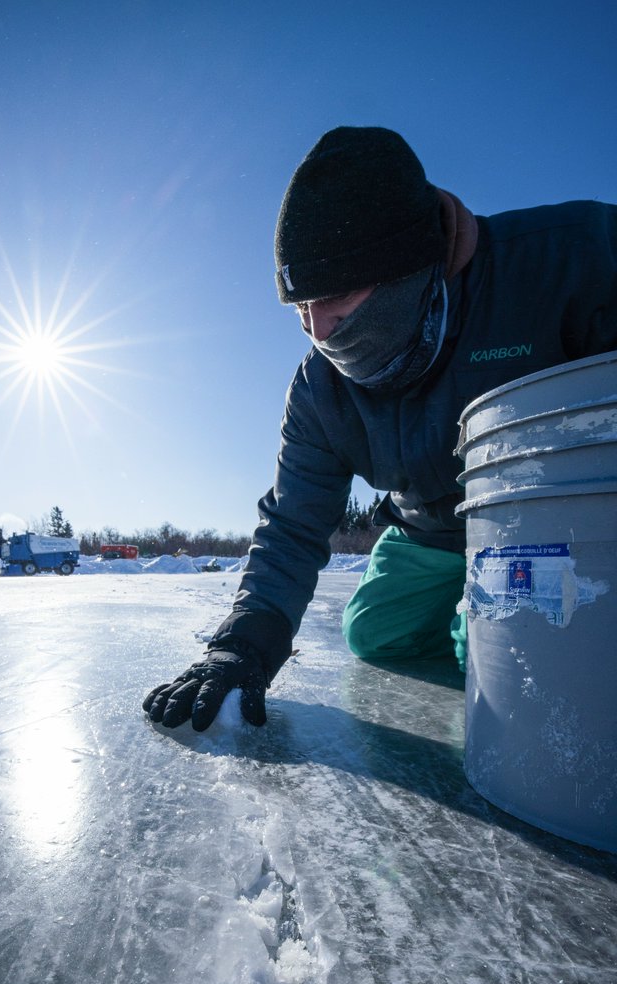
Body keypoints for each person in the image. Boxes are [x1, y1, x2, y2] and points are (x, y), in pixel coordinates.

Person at [143, 126, 617, 732]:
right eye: (300, 306)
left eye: (336, 294)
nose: (319, 327)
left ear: (409, 266)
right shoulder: (319, 391)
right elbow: (294, 521)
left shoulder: (570, 260)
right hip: (428, 529)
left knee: (510, 655)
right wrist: (244, 643)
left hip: (546, 524)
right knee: (372, 633)